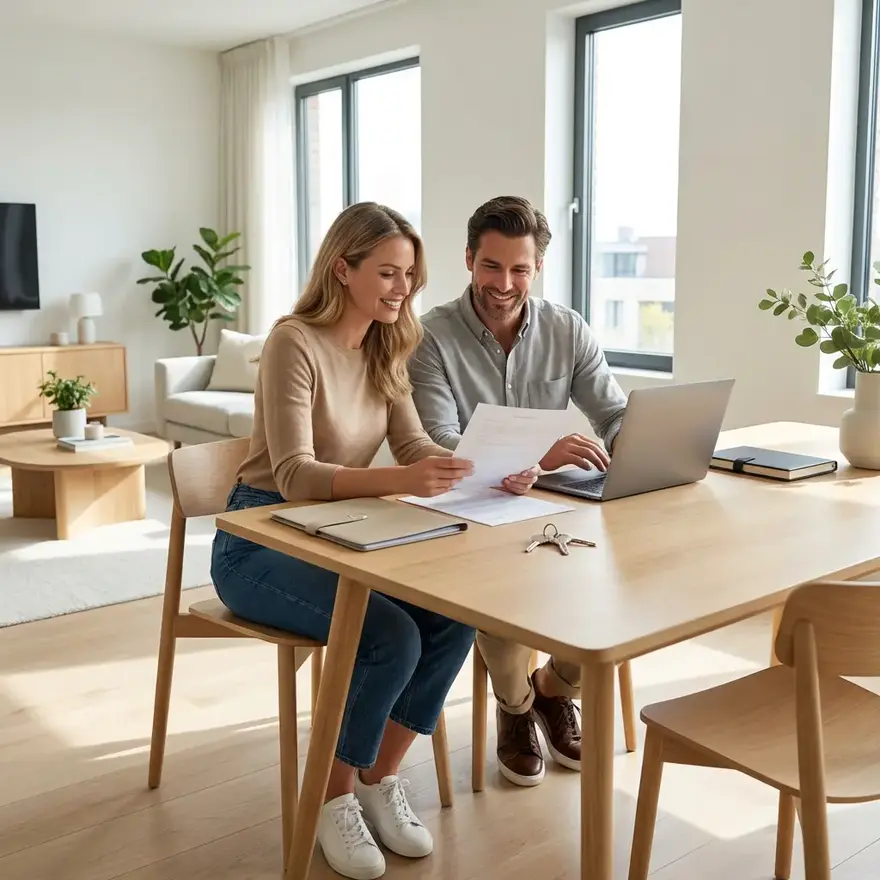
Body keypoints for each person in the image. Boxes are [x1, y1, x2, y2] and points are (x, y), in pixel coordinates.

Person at [211, 202, 476, 880]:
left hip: (345, 532)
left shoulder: (389, 344)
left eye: (409, 276)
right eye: (387, 273)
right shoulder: (293, 342)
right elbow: (295, 475)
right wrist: (404, 476)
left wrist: (471, 463)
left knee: (452, 617)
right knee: (388, 635)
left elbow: (415, 442)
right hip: (261, 539)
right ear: (343, 268)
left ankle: (378, 780)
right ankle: (329, 800)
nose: (401, 289)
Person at [409, 195, 628, 788]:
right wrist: (538, 454)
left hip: (557, 505)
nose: (504, 283)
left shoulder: (566, 329)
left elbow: (611, 413)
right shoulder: (428, 338)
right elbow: (441, 443)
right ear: (469, 260)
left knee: (624, 584)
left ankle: (554, 688)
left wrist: (645, 445)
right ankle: (514, 710)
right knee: (503, 601)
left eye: (520, 269)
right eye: (491, 266)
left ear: (537, 268)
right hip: (469, 511)